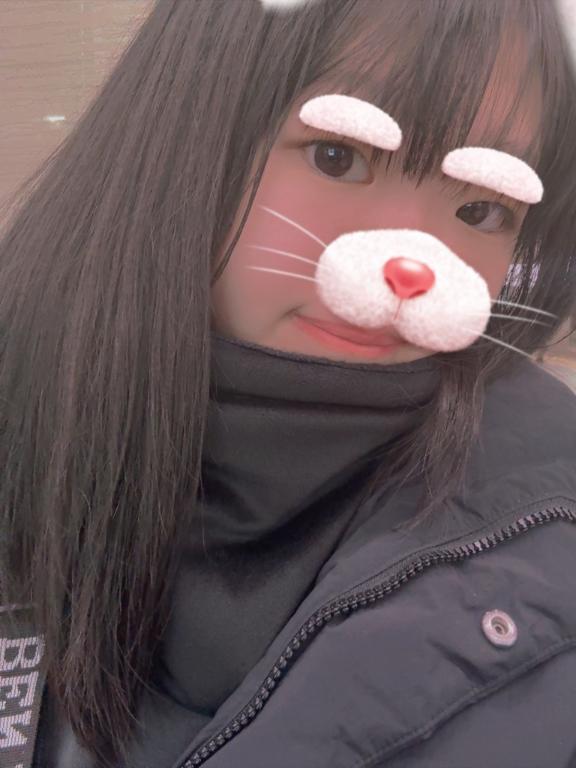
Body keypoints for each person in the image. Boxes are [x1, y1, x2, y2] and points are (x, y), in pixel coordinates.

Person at [0, 1, 575, 766]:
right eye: (337, 156)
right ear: (183, 126)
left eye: (481, 208)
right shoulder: (26, 406)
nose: (413, 261)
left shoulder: (545, 521)